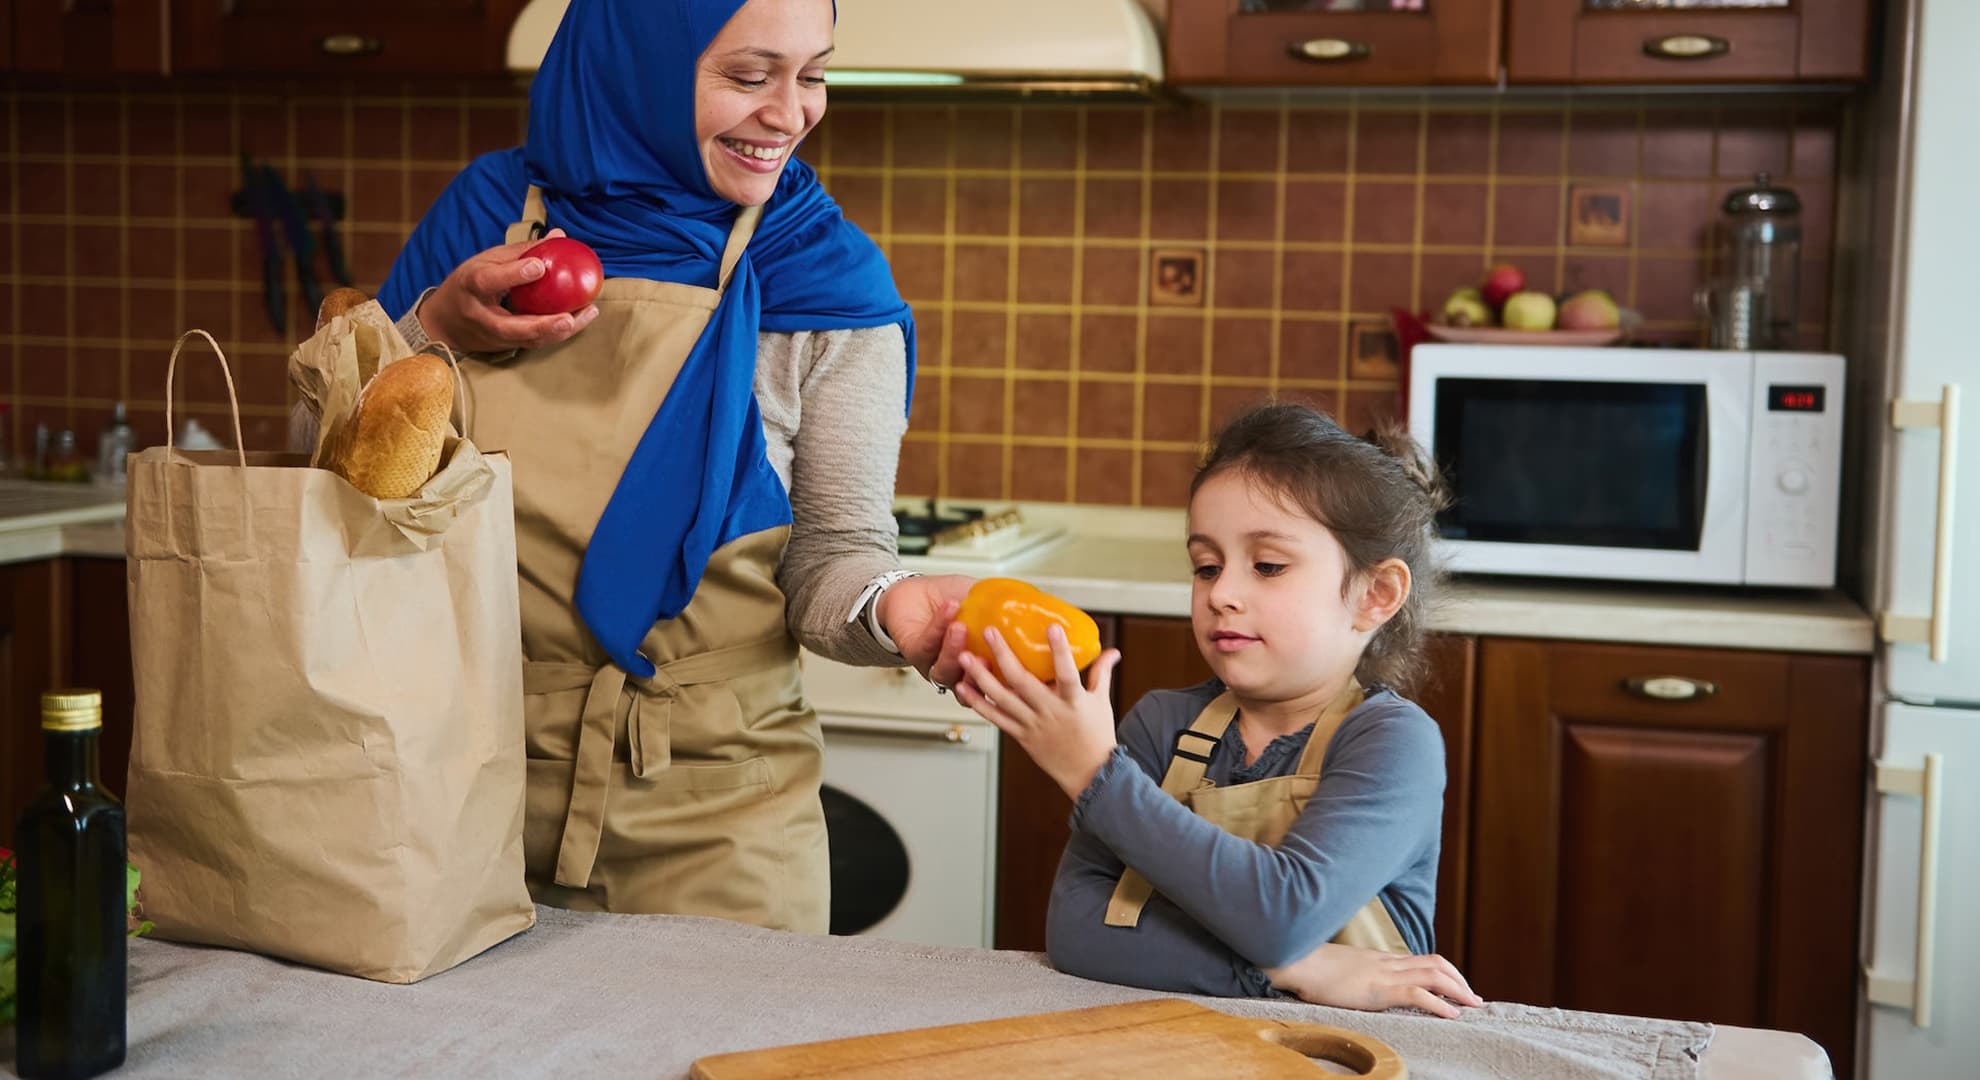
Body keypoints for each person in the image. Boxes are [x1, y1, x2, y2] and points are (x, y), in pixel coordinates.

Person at [367, 0, 972, 931]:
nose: (790, 114)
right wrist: (433, 329)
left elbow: (834, 555)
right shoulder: (489, 225)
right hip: (451, 789)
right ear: (636, 65)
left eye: (812, 75)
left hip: (717, 810)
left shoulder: (827, 280)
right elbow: (334, 471)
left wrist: (896, 612)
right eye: (746, 76)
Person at [953, 402, 1482, 1017]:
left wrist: (1096, 775)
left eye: (1267, 566)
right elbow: (1077, 931)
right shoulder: (1160, 725)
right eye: (1206, 566)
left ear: (1375, 595)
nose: (1222, 594)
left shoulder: (1393, 743)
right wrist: (1300, 971)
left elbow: (1282, 916)